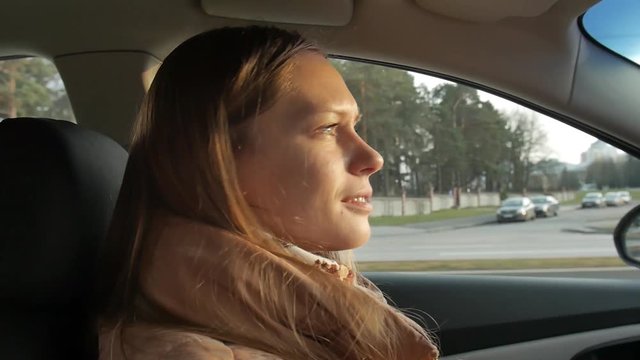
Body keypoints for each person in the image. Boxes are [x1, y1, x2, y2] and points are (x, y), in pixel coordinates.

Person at [97, 26, 439, 360]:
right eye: (328, 128)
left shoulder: (301, 312)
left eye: (354, 126)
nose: (373, 158)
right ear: (220, 160)